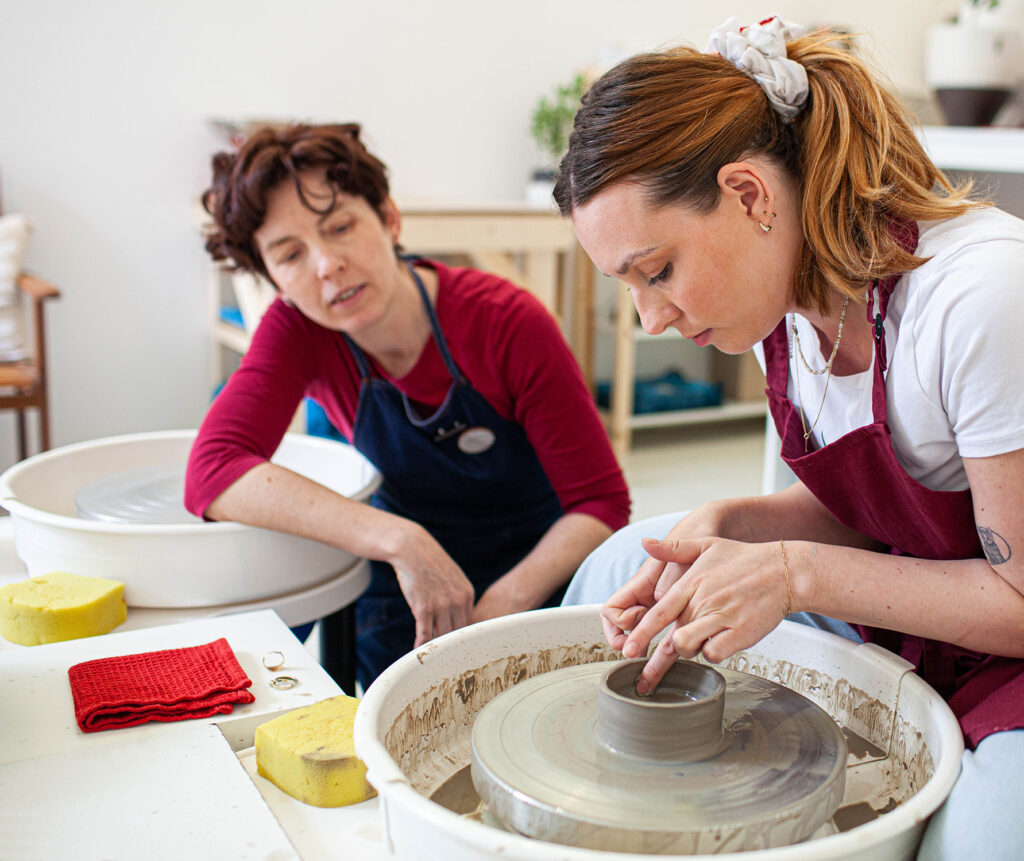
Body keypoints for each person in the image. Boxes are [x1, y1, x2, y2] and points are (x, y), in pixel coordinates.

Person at [554, 17, 1024, 860]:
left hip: (1009, 639)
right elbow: (876, 507)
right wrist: (732, 522)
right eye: (628, 285)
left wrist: (790, 569)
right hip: (921, 618)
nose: (651, 318)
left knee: (988, 835)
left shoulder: (980, 295)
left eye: (657, 271)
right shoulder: (791, 305)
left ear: (749, 195)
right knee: (629, 564)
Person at [187, 123, 629, 689]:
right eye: (290, 254)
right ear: (270, 276)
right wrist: (401, 540)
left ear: (389, 218)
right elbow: (213, 470)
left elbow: (600, 503)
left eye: (341, 227)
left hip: (536, 571)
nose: (327, 265)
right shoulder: (297, 329)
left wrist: (499, 609)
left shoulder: (505, 322)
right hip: (404, 581)